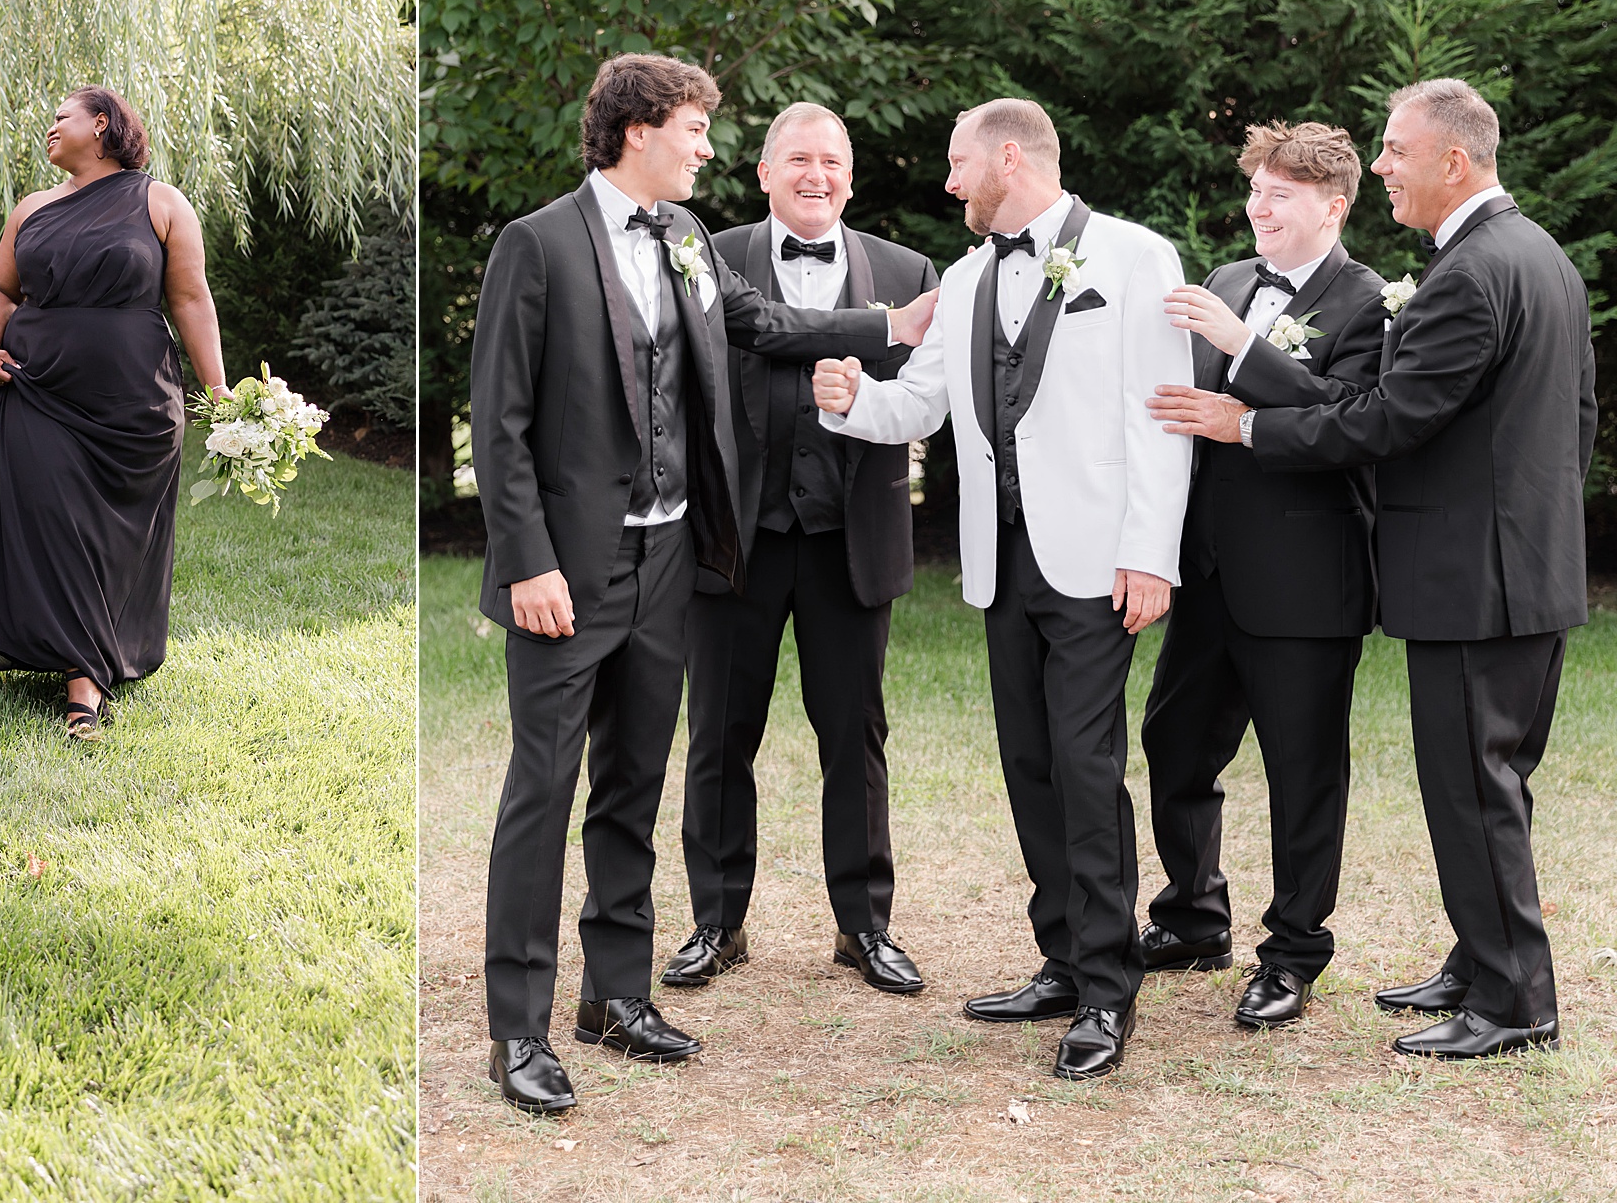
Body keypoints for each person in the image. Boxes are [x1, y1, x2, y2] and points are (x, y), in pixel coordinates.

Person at [470, 55, 938, 1116]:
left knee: (634, 783)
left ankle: (617, 997)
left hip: (671, 558)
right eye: (694, 130)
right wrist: (529, 562)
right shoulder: (535, 245)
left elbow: (760, 325)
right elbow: (496, 428)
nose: (707, 149)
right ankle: (517, 1030)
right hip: (568, 573)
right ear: (637, 129)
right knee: (542, 794)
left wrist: (884, 328)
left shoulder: (684, 240)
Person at [1149, 79, 1591, 1060]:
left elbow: (1388, 420)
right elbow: (1578, 426)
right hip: (1517, 567)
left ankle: (1516, 1003)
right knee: (1483, 784)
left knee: (1475, 790)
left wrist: (1248, 417)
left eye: (1395, 149)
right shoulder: (1538, 260)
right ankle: (1481, 963)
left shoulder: (1469, 274)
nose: (1383, 163)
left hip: (1476, 579)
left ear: (1453, 161)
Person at [814, 97, 1192, 1080]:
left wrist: (1152, 553)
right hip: (1003, 560)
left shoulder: (1133, 257)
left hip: (1100, 559)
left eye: (955, 165)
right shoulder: (972, 275)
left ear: (1009, 158)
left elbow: (1163, 417)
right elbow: (922, 403)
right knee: (1030, 763)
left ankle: (1109, 992)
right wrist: (856, 402)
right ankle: (1062, 958)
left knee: (1083, 762)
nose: (947, 183)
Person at [665, 102, 939, 999]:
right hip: (732, 541)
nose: (815, 175)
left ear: (850, 178)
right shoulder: (713, 257)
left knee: (854, 738)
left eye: (831, 162)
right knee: (718, 736)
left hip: (849, 543)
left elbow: (927, 401)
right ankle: (717, 922)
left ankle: (864, 928)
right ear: (764, 174)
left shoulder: (907, 273)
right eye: (797, 161)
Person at [1136, 122, 1386, 1030]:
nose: (1259, 208)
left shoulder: (1370, 302)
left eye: (1279, 195)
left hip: (1307, 583)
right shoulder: (1229, 279)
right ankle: (1194, 916)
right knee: (1174, 745)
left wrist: (1245, 352)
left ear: (1333, 206)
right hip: (1206, 574)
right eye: (1255, 191)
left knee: (1303, 773)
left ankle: (1292, 953)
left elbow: (1356, 419)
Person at [0, 86, 225, 738]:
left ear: (102, 124)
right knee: (56, 522)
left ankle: (86, 657)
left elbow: (191, 301)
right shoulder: (31, 209)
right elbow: (1, 288)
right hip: (37, 387)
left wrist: (221, 390)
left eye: (59, 116)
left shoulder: (161, 203)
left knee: (106, 538)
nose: (48, 127)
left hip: (132, 401)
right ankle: (83, 687)